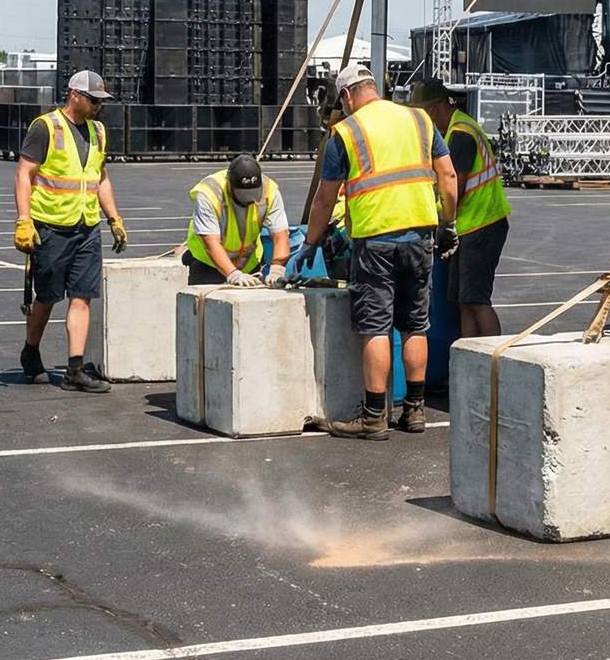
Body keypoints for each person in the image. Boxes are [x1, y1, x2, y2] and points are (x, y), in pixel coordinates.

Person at [297, 65, 458, 439]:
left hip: (375, 242)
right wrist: (447, 224)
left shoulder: (347, 132)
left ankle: (373, 418)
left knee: (375, 328)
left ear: (349, 95)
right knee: (416, 325)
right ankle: (414, 412)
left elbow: (325, 197)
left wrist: (311, 241)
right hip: (420, 236)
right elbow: (448, 176)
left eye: (342, 101)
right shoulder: (419, 120)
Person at [13, 70, 127, 393]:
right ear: (75, 95)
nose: (98, 107)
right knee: (47, 298)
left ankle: (74, 370)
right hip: (51, 229)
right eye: (93, 100)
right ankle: (31, 351)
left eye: (101, 102)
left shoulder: (98, 132)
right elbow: (24, 174)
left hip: (86, 228)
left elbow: (100, 177)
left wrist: (114, 218)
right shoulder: (46, 128)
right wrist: (24, 220)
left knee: (82, 297)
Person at [409, 78, 509, 341]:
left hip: (482, 225)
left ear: (431, 110)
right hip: (470, 226)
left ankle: (492, 361)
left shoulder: (461, 134)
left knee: (477, 300)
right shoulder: (453, 131)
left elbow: (453, 186)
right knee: (464, 302)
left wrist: (439, 222)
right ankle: (467, 362)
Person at [182, 153, 289, 287]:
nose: (249, 200)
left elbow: (281, 236)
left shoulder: (269, 191)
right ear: (230, 185)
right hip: (209, 263)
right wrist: (233, 274)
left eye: (253, 194)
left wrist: (277, 270)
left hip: (249, 263)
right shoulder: (210, 194)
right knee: (209, 304)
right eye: (243, 195)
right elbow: (211, 244)